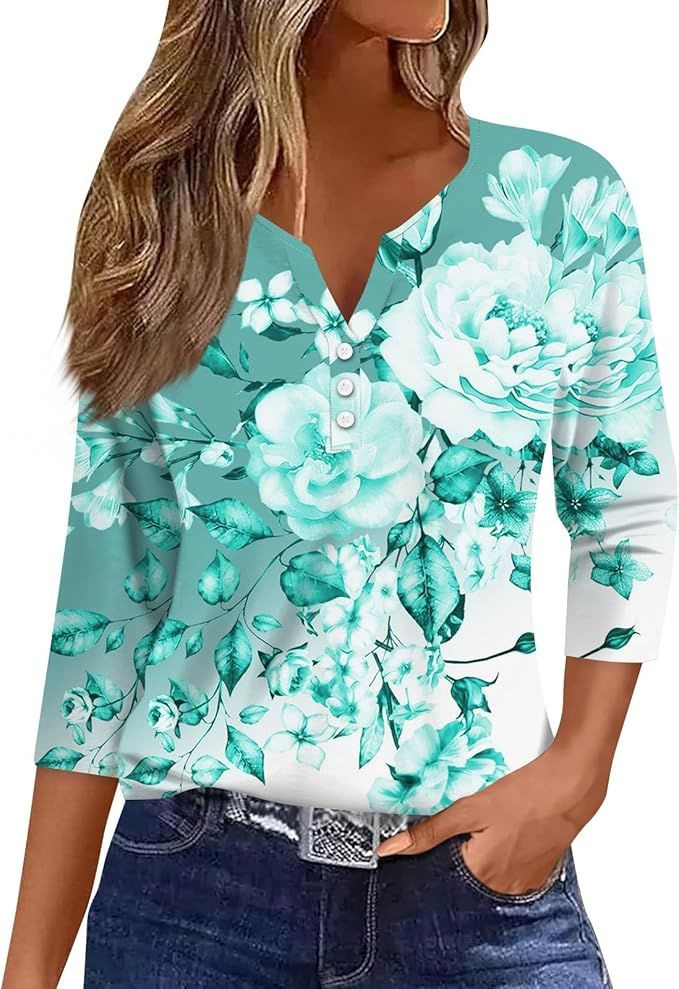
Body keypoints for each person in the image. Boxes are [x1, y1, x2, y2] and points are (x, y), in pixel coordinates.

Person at [3, 1, 675, 987]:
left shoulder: (559, 201)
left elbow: (623, 506)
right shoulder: (165, 212)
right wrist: (27, 969)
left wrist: (576, 774)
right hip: (193, 894)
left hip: (479, 892)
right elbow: (109, 600)